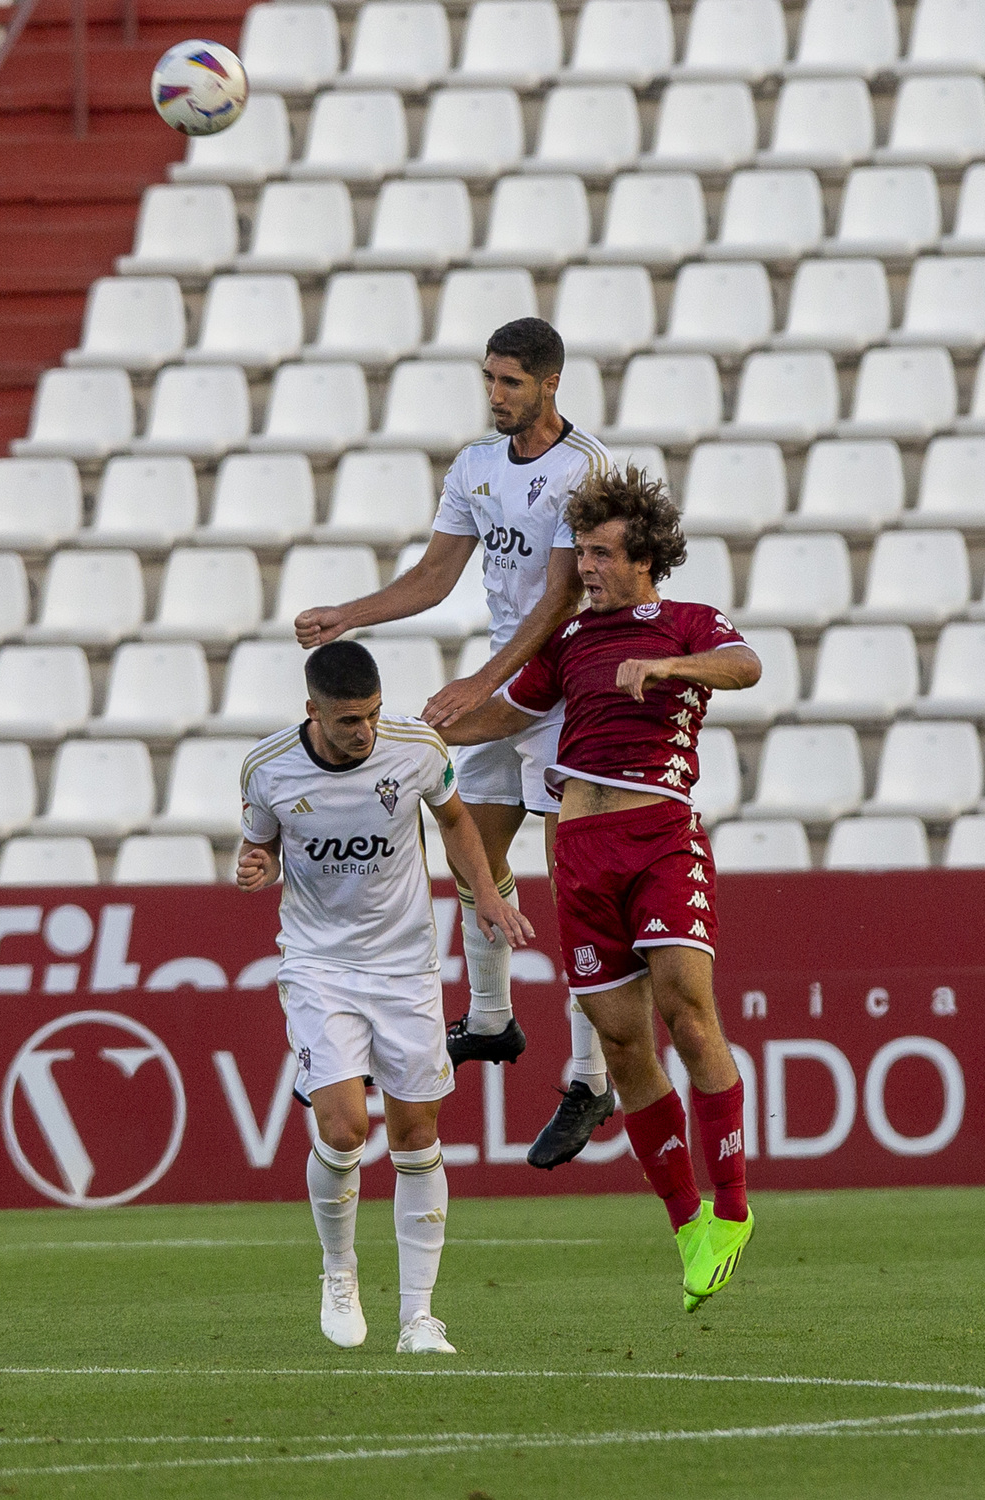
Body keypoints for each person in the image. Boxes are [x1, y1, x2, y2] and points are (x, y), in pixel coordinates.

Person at [295, 316, 616, 1170]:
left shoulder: (582, 469)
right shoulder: (475, 466)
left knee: (572, 886)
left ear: (549, 383)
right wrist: (349, 613)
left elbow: (560, 602)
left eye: (509, 382)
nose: (495, 395)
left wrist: (483, 683)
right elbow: (437, 575)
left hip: (562, 690)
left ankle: (589, 1077)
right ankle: (489, 1017)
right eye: (488, 380)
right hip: (509, 683)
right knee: (472, 848)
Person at [438, 466, 761, 1311]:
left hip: (659, 835)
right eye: (579, 551)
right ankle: (687, 1221)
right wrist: (421, 735)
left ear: (646, 556)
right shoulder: (571, 641)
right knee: (621, 1044)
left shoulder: (688, 623)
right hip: (579, 847)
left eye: (601, 553)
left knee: (688, 1012)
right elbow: (508, 714)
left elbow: (746, 665)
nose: (583, 567)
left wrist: (669, 667)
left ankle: (732, 1207)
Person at [237, 639, 533, 1352]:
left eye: (370, 715)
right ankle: (339, 1272)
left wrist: (486, 894)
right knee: (343, 1129)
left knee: (416, 1136)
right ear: (313, 711)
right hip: (318, 964)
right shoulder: (266, 768)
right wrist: (255, 865)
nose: (363, 731)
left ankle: (417, 1318)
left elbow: (456, 819)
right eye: (347, 721)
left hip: (405, 967)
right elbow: (261, 847)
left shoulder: (416, 749)